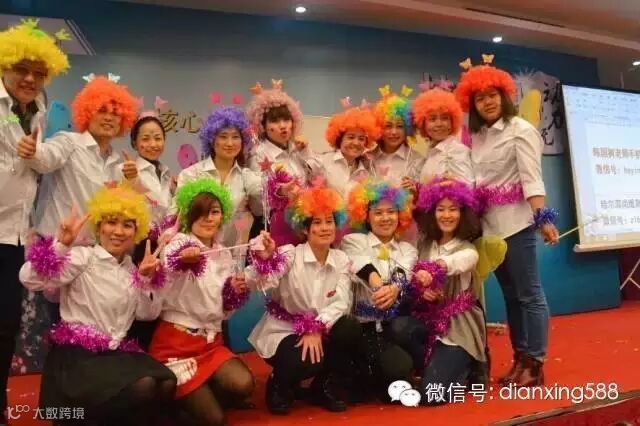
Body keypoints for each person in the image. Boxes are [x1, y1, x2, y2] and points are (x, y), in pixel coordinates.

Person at [19, 184, 176, 424]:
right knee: (143, 386)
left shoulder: (131, 270)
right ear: (99, 226)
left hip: (115, 355)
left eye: (127, 225)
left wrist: (145, 280)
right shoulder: (83, 258)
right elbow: (28, 278)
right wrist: (61, 246)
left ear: (136, 231)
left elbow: (147, 314)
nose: (118, 231)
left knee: (166, 382)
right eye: (111, 222)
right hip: (78, 359)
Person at [454, 55, 560, 386]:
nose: (487, 102)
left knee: (530, 295)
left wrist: (543, 218)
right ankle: (520, 359)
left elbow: (532, 177)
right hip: (488, 229)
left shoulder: (520, 130)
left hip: (517, 224)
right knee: (511, 297)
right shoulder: (477, 136)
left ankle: (535, 363)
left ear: (504, 95)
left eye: (492, 95)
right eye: (480, 98)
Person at [150, 178, 274, 425]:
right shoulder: (179, 242)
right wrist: (183, 259)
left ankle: (195, 396)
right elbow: (169, 264)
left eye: (214, 212)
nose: (208, 219)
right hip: (176, 346)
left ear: (222, 216)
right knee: (215, 420)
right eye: (200, 212)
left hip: (210, 344)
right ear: (189, 216)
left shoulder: (223, 253)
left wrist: (239, 287)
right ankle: (172, 403)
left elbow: (225, 311)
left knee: (244, 385)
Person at [0, 20, 69, 423]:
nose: (29, 78)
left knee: (7, 325)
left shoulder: (38, 111)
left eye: (38, 73)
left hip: (13, 237)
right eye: (21, 69)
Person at [248, 184, 359, 415]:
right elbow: (263, 282)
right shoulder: (290, 253)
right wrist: (267, 260)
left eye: (329, 221)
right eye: (317, 222)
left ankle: (322, 386)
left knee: (349, 327)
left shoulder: (341, 259)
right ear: (305, 229)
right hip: (284, 331)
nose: (325, 228)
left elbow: (341, 303)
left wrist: (315, 327)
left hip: (321, 330)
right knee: (302, 361)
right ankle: (279, 383)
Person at [392, 178, 486, 405]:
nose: (446, 215)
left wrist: (435, 269)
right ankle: (432, 367)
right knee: (398, 327)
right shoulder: (424, 244)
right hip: (427, 320)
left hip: (457, 328)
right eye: (441, 209)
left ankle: (469, 365)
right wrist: (421, 292)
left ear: (463, 213)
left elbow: (458, 262)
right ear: (432, 213)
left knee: (430, 395)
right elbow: (412, 279)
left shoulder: (468, 250)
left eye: (453, 209)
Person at [30, 75, 139, 245]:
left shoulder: (117, 163)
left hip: (93, 251)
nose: (109, 118)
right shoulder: (68, 142)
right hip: (54, 247)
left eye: (115, 113)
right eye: (102, 110)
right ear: (87, 113)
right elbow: (44, 159)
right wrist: (33, 151)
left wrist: (130, 180)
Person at [340, 178, 416, 402]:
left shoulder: (407, 249)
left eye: (391, 212)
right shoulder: (353, 240)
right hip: (361, 329)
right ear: (366, 216)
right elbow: (360, 263)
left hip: (391, 329)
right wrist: (380, 286)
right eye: (378, 213)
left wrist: (395, 287)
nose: (385, 218)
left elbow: (405, 271)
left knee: (400, 369)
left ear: (400, 215)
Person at [176, 106, 262, 249]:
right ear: (211, 140)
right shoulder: (191, 174)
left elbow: (261, 207)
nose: (230, 143)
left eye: (235, 137)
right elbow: (179, 217)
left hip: (233, 255)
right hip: (196, 253)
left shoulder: (246, 177)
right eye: (223, 137)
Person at [413, 87, 474, 185]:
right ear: (424, 124)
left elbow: (467, 187)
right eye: (432, 119)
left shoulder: (456, 150)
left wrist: (443, 187)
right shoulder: (430, 151)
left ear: (452, 123)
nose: (439, 124)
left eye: (444, 118)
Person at [370, 86, 424, 189]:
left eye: (399, 126)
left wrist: (416, 190)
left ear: (407, 128)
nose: (394, 132)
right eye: (388, 126)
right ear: (379, 129)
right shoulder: (367, 159)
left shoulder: (417, 161)